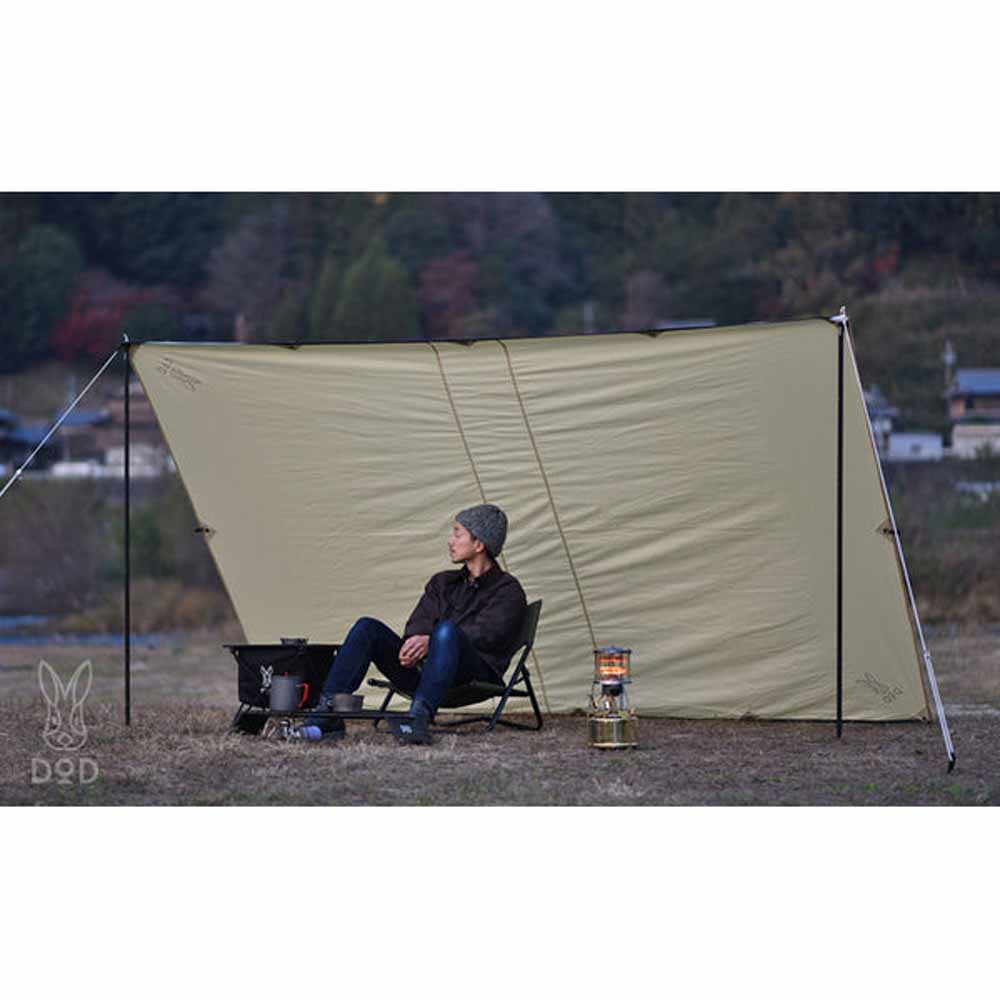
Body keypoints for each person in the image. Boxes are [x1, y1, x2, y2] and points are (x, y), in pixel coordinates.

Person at [295, 503, 527, 745]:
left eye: (458, 534)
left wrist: (433, 641)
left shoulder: (507, 591)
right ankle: (328, 713)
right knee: (367, 628)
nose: (451, 541)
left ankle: (418, 717)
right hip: (423, 672)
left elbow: (489, 634)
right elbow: (418, 622)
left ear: (479, 544)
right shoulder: (442, 583)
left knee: (446, 631)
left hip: (470, 676)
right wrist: (413, 644)